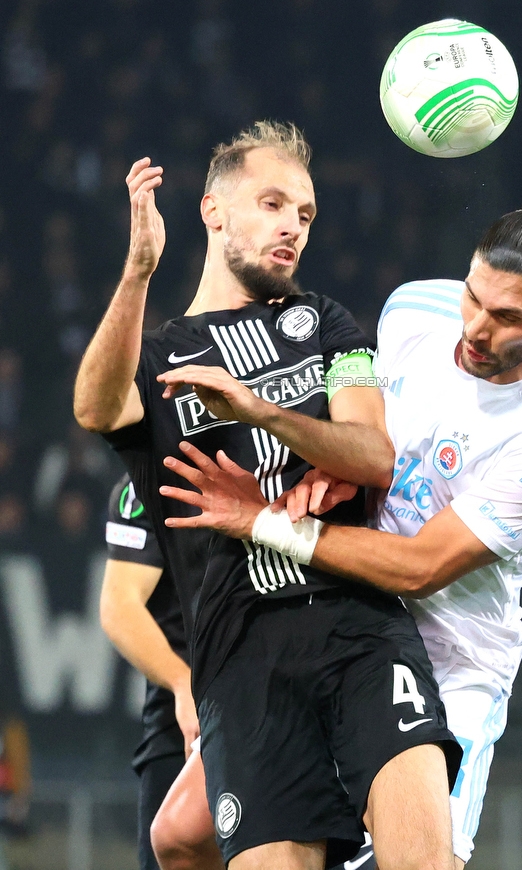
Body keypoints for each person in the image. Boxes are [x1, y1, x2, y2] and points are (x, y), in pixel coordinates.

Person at [158, 199, 522, 867]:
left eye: (509, 318)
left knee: (421, 859)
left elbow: (421, 567)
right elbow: (373, 442)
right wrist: (330, 475)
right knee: (182, 834)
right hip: (340, 611)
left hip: (450, 652)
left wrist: (268, 523)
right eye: (474, 298)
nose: (477, 329)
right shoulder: (415, 309)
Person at [74, 122, 461, 870]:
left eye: (306, 215)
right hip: (242, 665)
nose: (292, 227)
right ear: (214, 212)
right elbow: (95, 408)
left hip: (361, 633)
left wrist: (257, 411)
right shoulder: (159, 359)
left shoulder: (325, 326)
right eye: (273, 204)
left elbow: (374, 453)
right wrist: (137, 272)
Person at [100, 474, 223, 870]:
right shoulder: (144, 483)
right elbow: (119, 604)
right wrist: (182, 685)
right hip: (181, 718)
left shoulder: (270, 455)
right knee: (169, 846)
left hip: (266, 692)